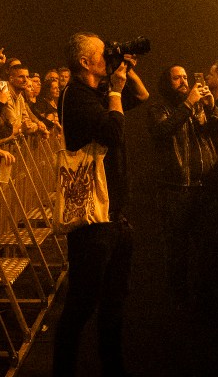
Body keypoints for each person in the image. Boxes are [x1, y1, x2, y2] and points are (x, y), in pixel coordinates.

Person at [51, 32, 148, 377]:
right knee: (81, 305)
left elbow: (142, 96)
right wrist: (115, 91)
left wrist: (125, 72)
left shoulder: (97, 92)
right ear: (84, 62)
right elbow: (113, 132)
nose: (107, 56)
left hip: (113, 214)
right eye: (101, 53)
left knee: (114, 302)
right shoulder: (76, 95)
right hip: (93, 220)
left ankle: (113, 367)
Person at [147, 65, 218, 307]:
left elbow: (217, 132)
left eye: (185, 77)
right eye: (176, 78)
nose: (183, 81)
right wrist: (189, 104)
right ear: (166, 82)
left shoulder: (197, 106)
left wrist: (211, 107)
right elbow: (162, 131)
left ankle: (205, 295)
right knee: (177, 248)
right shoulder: (159, 108)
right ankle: (178, 301)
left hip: (202, 187)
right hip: (175, 190)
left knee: (206, 245)